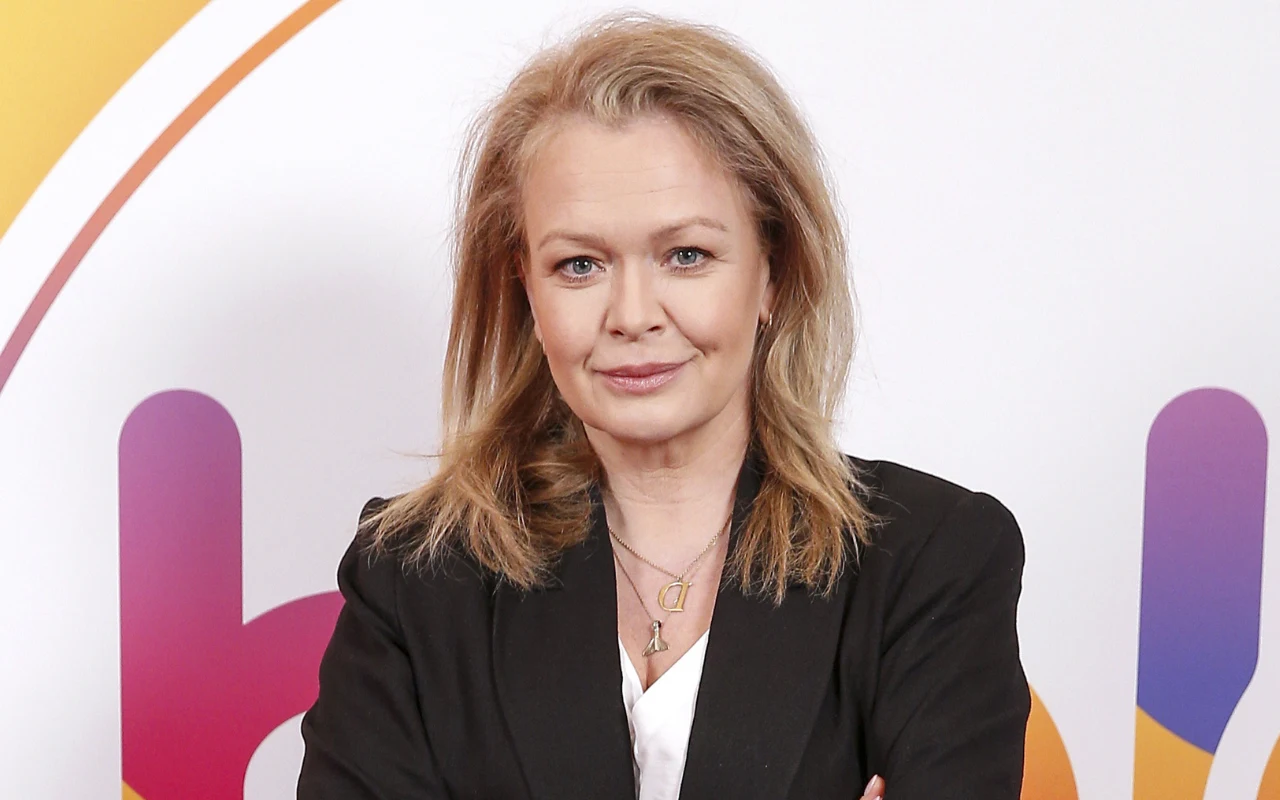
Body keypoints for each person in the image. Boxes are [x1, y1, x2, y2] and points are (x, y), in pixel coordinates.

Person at [297, 11, 1030, 800]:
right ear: (525, 286)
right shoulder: (414, 576)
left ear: (773, 272)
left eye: (686, 255)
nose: (632, 315)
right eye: (579, 265)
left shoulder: (931, 562)